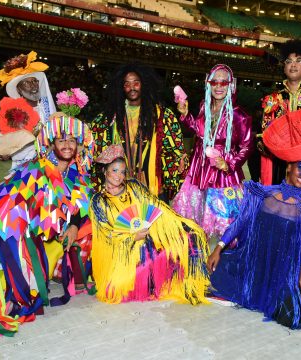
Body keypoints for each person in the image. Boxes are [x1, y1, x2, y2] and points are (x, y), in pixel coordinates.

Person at [0, 89, 93, 338]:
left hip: (38, 231)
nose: (67, 145)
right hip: (14, 223)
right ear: (52, 143)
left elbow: (78, 207)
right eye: (61, 140)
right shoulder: (37, 168)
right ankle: (5, 298)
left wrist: (74, 225)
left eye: (72, 141)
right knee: (11, 257)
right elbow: (13, 198)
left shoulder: (78, 175)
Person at [208, 108, 301, 329]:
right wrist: (220, 247)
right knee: (215, 270)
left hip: (285, 273)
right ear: (289, 167)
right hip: (254, 265)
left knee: (293, 317)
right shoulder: (261, 194)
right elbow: (241, 222)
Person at [89, 144, 210, 305]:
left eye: (123, 171)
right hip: (121, 261)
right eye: (114, 170)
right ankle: (153, 281)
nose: (119, 176)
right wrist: (132, 237)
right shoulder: (98, 201)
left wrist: (182, 223)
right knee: (117, 289)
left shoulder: (134, 187)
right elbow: (107, 236)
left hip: (147, 247)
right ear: (104, 171)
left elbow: (157, 207)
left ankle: (187, 284)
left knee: (189, 238)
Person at [172, 64, 253, 240]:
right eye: (214, 82)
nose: (218, 86)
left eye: (223, 83)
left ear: (231, 85)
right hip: (199, 169)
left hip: (222, 174)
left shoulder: (240, 116)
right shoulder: (204, 106)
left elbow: (246, 147)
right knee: (195, 225)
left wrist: (230, 164)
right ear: (208, 84)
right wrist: (186, 116)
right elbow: (199, 130)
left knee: (222, 227)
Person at [90, 63, 188, 202]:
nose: (132, 88)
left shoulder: (162, 116)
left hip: (153, 189)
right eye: (127, 84)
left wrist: (180, 162)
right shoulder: (110, 117)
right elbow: (89, 136)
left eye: (136, 83)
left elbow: (174, 149)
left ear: (144, 84)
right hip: (120, 188)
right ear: (121, 87)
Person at [260, 39, 301, 207]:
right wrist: (268, 146)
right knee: (280, 213)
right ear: (284, 67)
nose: (293, 64)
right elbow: (263, 134)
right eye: (288, 61)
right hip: (281, 167)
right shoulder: (272, 99)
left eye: (299, 60)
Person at [0, 50, 56, 171]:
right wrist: (3, 152)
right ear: (19, 90)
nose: (33, 86)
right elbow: (4, 145)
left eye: (34, 81)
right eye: (27, 83)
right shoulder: (13, 113)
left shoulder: (47, 108)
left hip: (50, 167)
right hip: (23, 170)